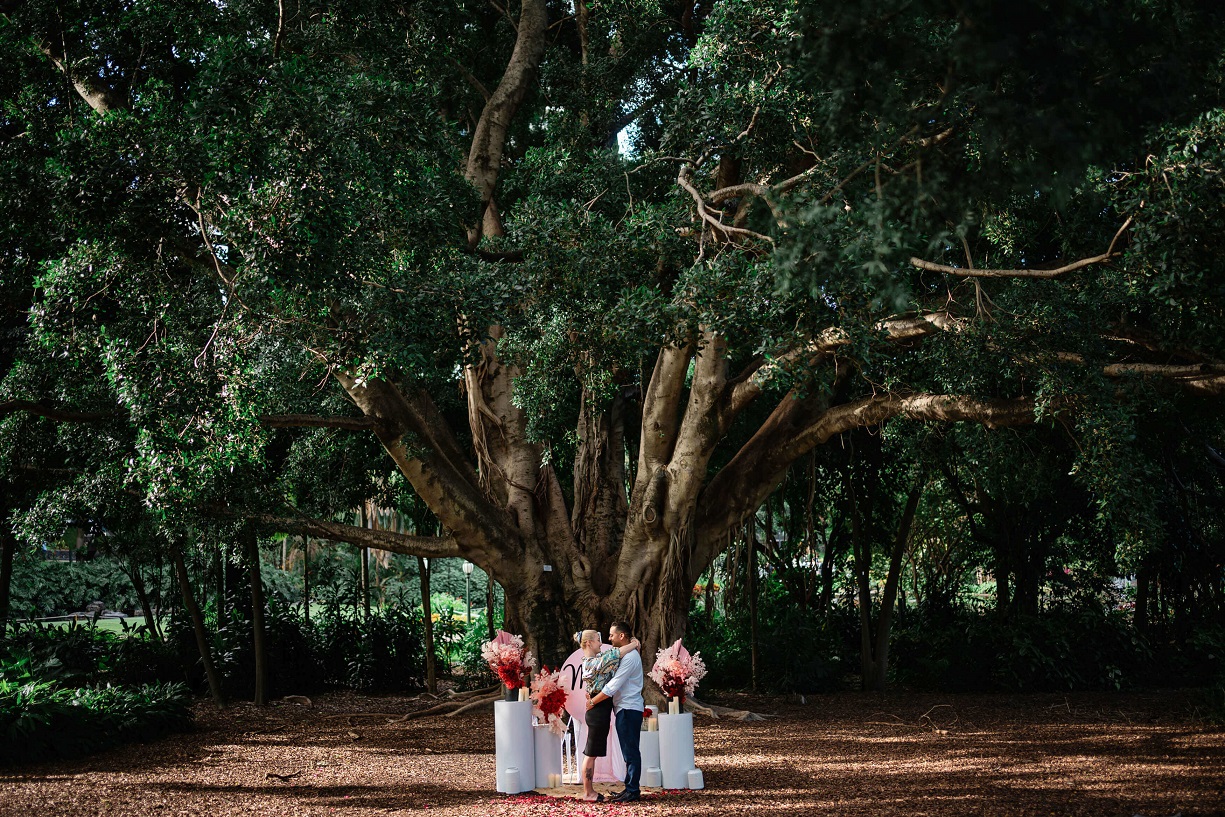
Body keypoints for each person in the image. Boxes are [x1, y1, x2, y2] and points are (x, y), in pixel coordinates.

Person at [576, 628, 640, 803]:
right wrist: (634, 643)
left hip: (600, 709)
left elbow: (616, 657)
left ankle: (594, 791)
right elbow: (615, 654)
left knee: (593, 751)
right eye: (598, 639)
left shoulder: (598, 659)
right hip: (597, 710)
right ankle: (588, 792)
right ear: (588, 643)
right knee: (591, 752)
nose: (601, 643)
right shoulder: (591, 662)